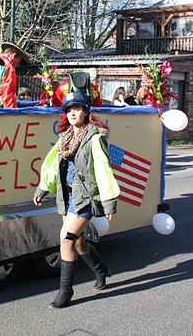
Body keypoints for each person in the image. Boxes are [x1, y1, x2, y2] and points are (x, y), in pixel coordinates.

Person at [33, 90, 120, 309]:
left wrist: (109, 201)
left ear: (86, 111)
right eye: (69, 109)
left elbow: (103, 169)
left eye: (78, 108)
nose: (73, 113)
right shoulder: (64, 138)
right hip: (67, 194)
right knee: (78, 240)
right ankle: (100, 270)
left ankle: (65, 290)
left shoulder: (95, 138)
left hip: (85, 196)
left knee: (66, 238)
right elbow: (54, 166)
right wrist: (43, 187)